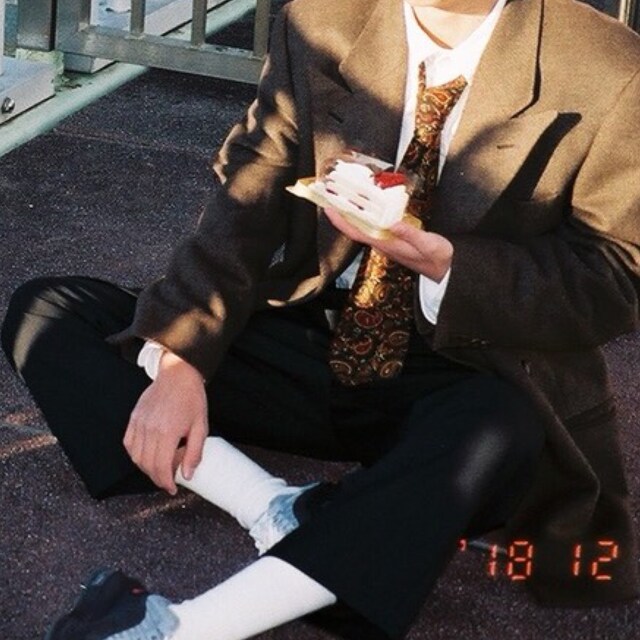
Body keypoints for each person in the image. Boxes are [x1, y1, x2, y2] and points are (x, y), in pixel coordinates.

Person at [3, 0, 640, 638]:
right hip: (314, 332)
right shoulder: (322, 18)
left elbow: (613, 275)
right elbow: (249, 189)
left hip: (461, 360)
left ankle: (185, 628)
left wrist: (447, 264)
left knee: (502, 430)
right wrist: (179, 360)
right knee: (52, 313)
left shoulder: (607, 65)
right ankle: (276, 507)